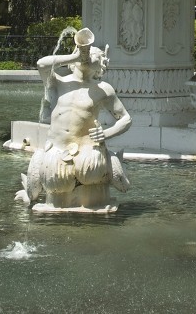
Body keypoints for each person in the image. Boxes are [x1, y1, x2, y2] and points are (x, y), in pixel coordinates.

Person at [18, 28, 132, 211]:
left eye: (94, 54)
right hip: (57, 152)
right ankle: (29, 192)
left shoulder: (103, 89)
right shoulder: (58, 82)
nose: (87, 56)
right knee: (49, 175)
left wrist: (106, 133)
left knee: (92, 173)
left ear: (101, 65)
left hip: (89, 154)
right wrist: (75, 56)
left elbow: (126, 119)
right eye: (84, 53)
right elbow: (41, 64)